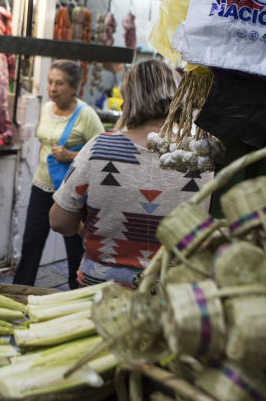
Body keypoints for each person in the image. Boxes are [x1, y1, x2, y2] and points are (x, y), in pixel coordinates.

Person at [49, 59, 214, 287]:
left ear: (127, 100)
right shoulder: (201, 157)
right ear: (177, 98)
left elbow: (59, 222)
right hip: (176, 295)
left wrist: (91, 231)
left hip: (102, 293)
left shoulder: (99, 149)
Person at [13, 60, 103, 289]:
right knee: (31, 242)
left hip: (72, 193)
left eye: (59, 83)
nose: (52, 88)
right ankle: (18, 292)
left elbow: (102, 154)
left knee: (74, 247)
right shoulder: (45, 109)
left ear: (73, 87)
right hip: (42, 186)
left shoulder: (87, 115)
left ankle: (76, 293)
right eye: (50, 82)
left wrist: (71, 155)